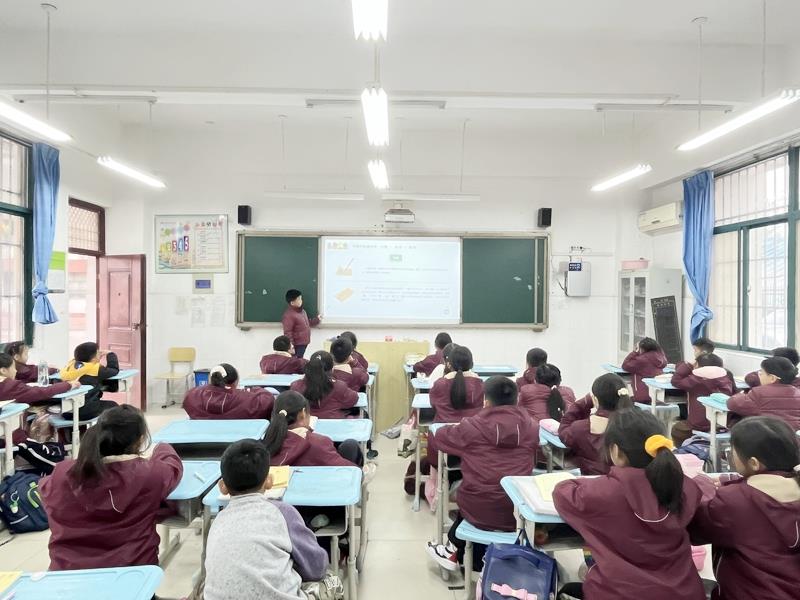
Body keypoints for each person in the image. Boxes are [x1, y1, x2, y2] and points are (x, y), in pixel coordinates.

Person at [552, 409, 705, 600]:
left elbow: (562, 493)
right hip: (684, 592)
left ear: (615, 451)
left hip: (619, 594)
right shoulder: (684, 487)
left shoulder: (604, 492)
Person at [40, 405, 183, 570]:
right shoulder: (149, 473)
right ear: (140, 440)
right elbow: (173, 467)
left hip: (69, 573)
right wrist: (163, 448)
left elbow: (45, 490)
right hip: (132, 571)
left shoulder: (63, 473)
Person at [204, 439, 343, 600]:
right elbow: (316, 567)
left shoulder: (218, 521)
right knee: (332, 581)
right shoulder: (283, 513)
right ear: (269, 481)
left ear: (222, 486)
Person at [426, 376, 538, 571]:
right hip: (518, 510)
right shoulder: (532, 427)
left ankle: (452, 549)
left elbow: (441, 438)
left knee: (477, 491)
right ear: (517, 399)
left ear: (485, 401)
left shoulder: (472, 427)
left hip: (478, 508)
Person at [688, 416, 800, 600]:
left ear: (754, 463)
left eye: (733, 452)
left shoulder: (735, 500)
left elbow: (695, 528)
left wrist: (702, 485)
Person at [558, 373, 632, 475]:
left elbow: (563, 431)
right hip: (625, 480)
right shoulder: (636, 425)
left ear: (595, 400)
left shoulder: (580, 428)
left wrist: (584, 402)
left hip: (591, 480)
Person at [0, 353, 80, 448]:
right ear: (3, 370)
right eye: (13, 367)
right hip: (11, 438)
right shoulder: (9, 386)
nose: (16, 370)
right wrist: (68, 385)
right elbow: (42, 392)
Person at [263, 391, 363, 467]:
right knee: (350, 447)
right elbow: (349, 470)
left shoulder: (268, 442)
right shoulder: (319, 443)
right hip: (320, 488)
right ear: (302, 414)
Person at [427, 345, 484, 469]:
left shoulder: (440, 384)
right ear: (472, 364)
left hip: (445, 442)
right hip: (473, 442)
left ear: (448, 364)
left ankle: (436, 476)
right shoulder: (480, 384)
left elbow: (433, 405)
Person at [670, 354, 736, 447]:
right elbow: (735, 393)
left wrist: (688, 365)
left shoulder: (695, 379)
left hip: (699, 425)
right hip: (724, 424)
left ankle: (685, 451)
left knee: (677, 429)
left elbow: (675, 381)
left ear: (698, 366)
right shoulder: (727, 376)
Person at [727, 356, 800, 430]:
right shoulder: (797, 393)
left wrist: (741, 394)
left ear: (772, 378)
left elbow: (733, 403)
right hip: (792, 435)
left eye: (761, 372)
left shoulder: (759, 393)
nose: (760, 375)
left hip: (767, 433)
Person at [184, 363, 274, 420]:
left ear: (210, 379)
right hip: (239, 442)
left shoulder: (192, 395)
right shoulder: (247, 399)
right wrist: (255, 389)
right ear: (236, 382)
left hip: (200, 442)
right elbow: (268, 401)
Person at [58, 342, 120, 420]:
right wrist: (110, 354)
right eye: (98, 353)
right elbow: (114, 370)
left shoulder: (71, 365)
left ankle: (77, 427)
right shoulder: (95, 369)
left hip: (67, 412)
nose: (100, 353)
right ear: (93, 359)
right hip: (85, 411)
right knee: (114, 406)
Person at [289, 351, 358, 419]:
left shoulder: (296, 386)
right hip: (332, 423)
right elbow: (353, 399)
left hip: (305, 423)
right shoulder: (339, 386)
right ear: (332, 368)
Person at [621, 337, 668, 402]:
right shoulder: (661, 358)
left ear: (642, 348)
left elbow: (625, 365)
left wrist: (634, 352)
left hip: (643, 397)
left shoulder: (641, 360)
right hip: (658, 397)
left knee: (624, 401)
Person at [281, 289, 321, 360]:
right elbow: (288, 332)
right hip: (297, 344)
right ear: (292, 303)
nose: (301, 301)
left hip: (304, 342)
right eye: (299, 299)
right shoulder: (289, 315)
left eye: (301, 298)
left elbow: (307, 322)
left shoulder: (302, 311)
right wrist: (291, 346)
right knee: (296, 361)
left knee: (299, 359)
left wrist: (317, 319)